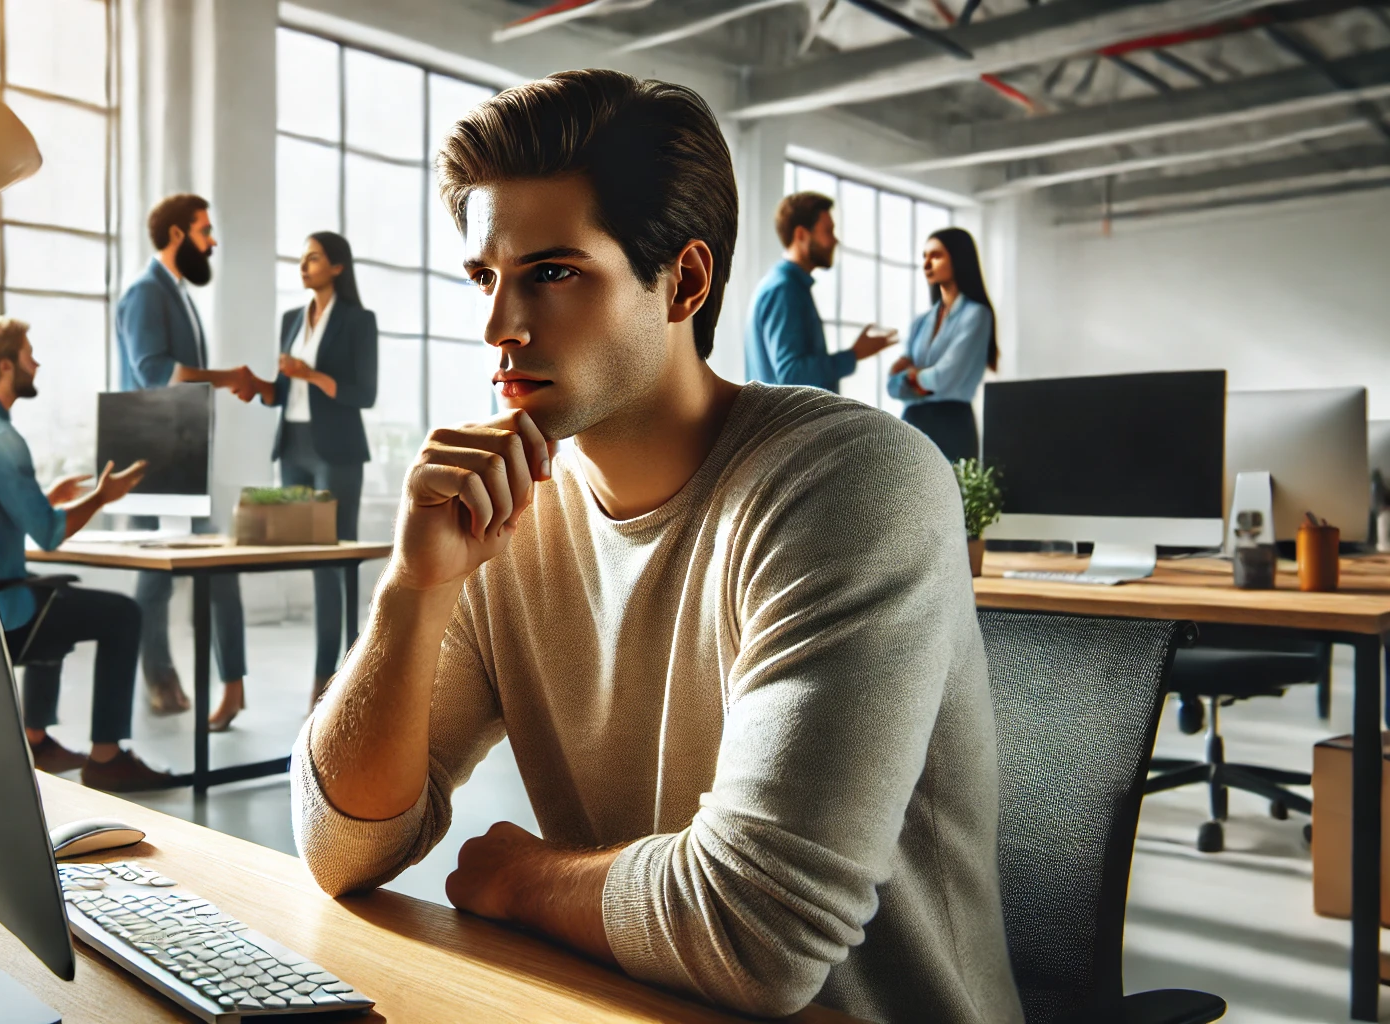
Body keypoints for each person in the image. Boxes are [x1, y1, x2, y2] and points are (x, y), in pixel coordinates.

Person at [292, 70, 1020, 1023]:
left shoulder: (850, 483)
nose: (498, 328)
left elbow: (757, 936)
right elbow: (341, 848)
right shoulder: (508, 510)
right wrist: (411, 590)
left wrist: (522, 881)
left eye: (552, 273)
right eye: (486, 277)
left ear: (683, 281)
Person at [0, 318, 180, 792]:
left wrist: (46, 498)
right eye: (28, 354)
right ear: (5, 365)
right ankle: (107, 756)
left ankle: (36, 739)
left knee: (54, 591)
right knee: (122, 613)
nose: (35, 363)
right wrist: (103, 496)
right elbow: (51, 534)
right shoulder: (0, 439)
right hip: (2, 614)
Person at [115, 193, 256, 723]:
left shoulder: (173, 293)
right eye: (204, 231)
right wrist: (228, 377)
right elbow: (155, 373)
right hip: (151, 460)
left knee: (218, 568)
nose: (212, 241)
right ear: (177, 235)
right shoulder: (144, 293)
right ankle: (161, 679)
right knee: (156, 578)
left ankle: (230, 684)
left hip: (182, 452)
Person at [229, 232, 378, 723]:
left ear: (337, 266)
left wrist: (307, 373)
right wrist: (261, 387)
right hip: (292, 447)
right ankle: (324, 677)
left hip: (336, 451)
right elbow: (283, 393)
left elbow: (363, 394)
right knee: (308, 561)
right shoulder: (292, 320)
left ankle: (334, 678)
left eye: (312, 258)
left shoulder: (359, 321)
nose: (303, 266)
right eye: (301, 259)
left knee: (335, 564)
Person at [744, 191, 896, 391]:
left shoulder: (785, 285)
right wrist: (854, 355)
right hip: (791, 422)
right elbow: (791, 373)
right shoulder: (785, 289)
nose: (835, 241)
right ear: (801, 235)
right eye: (828, 231)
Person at [888, 227, 998, 464]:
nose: (927, 264)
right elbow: (892, 386)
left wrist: (910, 376)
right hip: (912, 424)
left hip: (951, 425)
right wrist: (915, 378)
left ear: (958, 259)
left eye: (936, 256)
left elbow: (946, 376)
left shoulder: (976, 315)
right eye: (924, 256)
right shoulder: (921, 321)